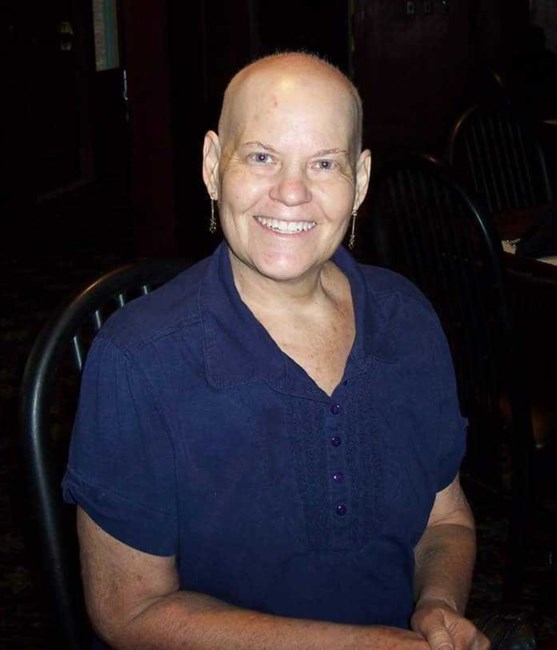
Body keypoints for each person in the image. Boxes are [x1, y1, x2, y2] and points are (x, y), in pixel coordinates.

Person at [63, 52, 490, 650]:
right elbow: (130, 611)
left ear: (360, 181)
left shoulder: (407, 319)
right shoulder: (137, 360)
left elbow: (444, 519)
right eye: (261, 157)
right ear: (213, 166)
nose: (291, 193)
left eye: (325, 163)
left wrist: (437, 604)